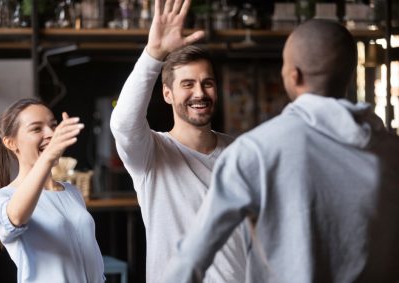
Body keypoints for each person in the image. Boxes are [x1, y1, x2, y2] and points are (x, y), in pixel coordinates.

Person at [163, 19, 399, 283]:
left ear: (293, 75)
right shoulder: (391, 150)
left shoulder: (255, 151)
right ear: (349, 73)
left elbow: (190, 262)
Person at [110, 0, 250, 282]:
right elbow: (123, 123)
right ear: (167, 94)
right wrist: (154, 55)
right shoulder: (152, 154)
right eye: (187, 84)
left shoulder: (241, 153)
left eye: (207, 83)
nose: (200, 93)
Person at [0, 98, 105, 283]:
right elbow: (14, 219)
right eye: (36, 129)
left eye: (53, 126)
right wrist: (48, 156)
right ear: (10, 143)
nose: (50, 134)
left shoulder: (71, 191)